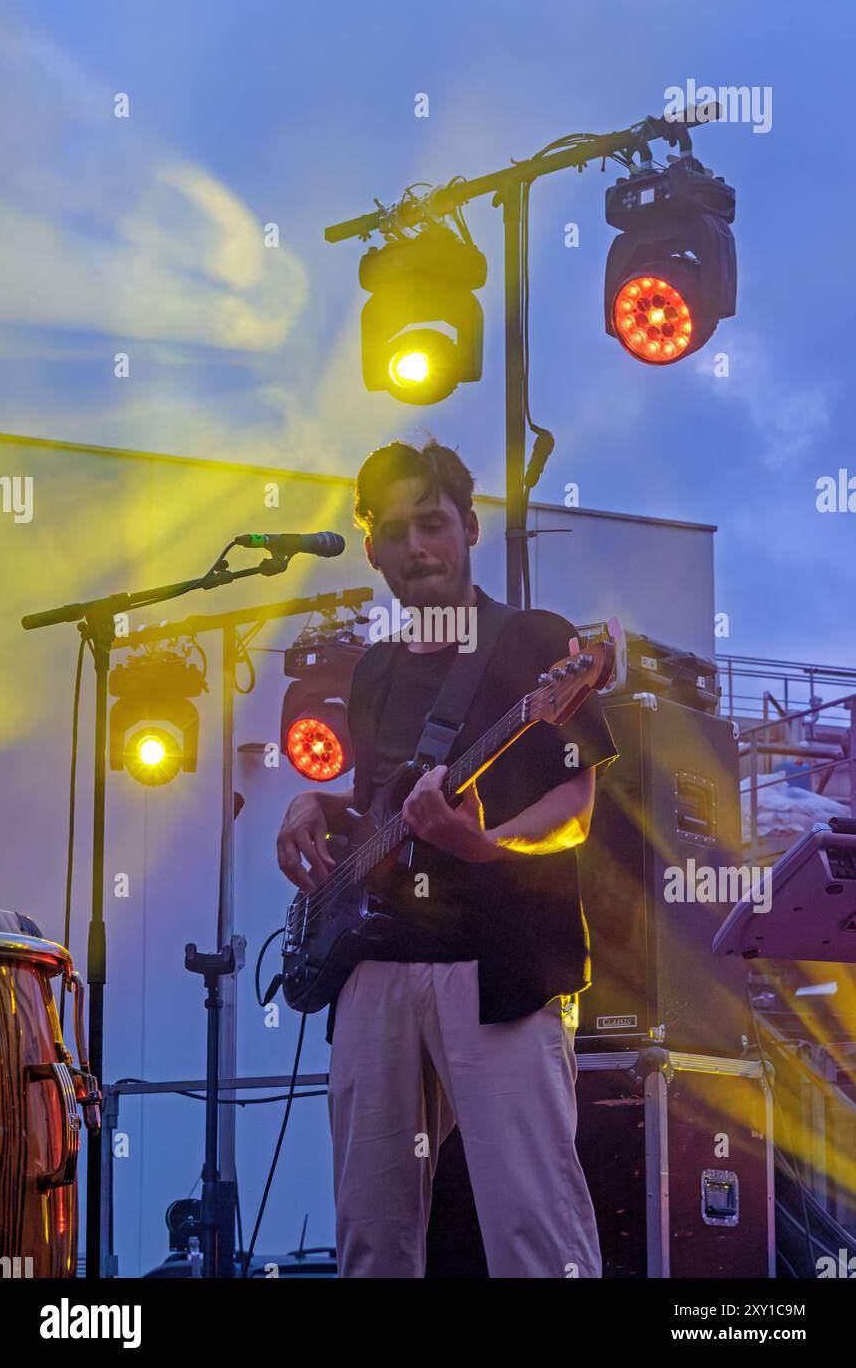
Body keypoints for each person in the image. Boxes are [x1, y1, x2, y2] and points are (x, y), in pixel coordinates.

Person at [277, 438, 619, 1278]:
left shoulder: (534, 640)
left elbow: (575, 808)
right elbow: (385, 811)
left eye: (433, 524)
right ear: (371, 550)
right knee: (370, 1238)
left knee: (534, 1235)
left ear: (468, 528)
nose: (416, 547)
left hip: (495, 966)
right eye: (395, 532)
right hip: (373, 966)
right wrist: (312, 803)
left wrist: (488, 843)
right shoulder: (376, 670)